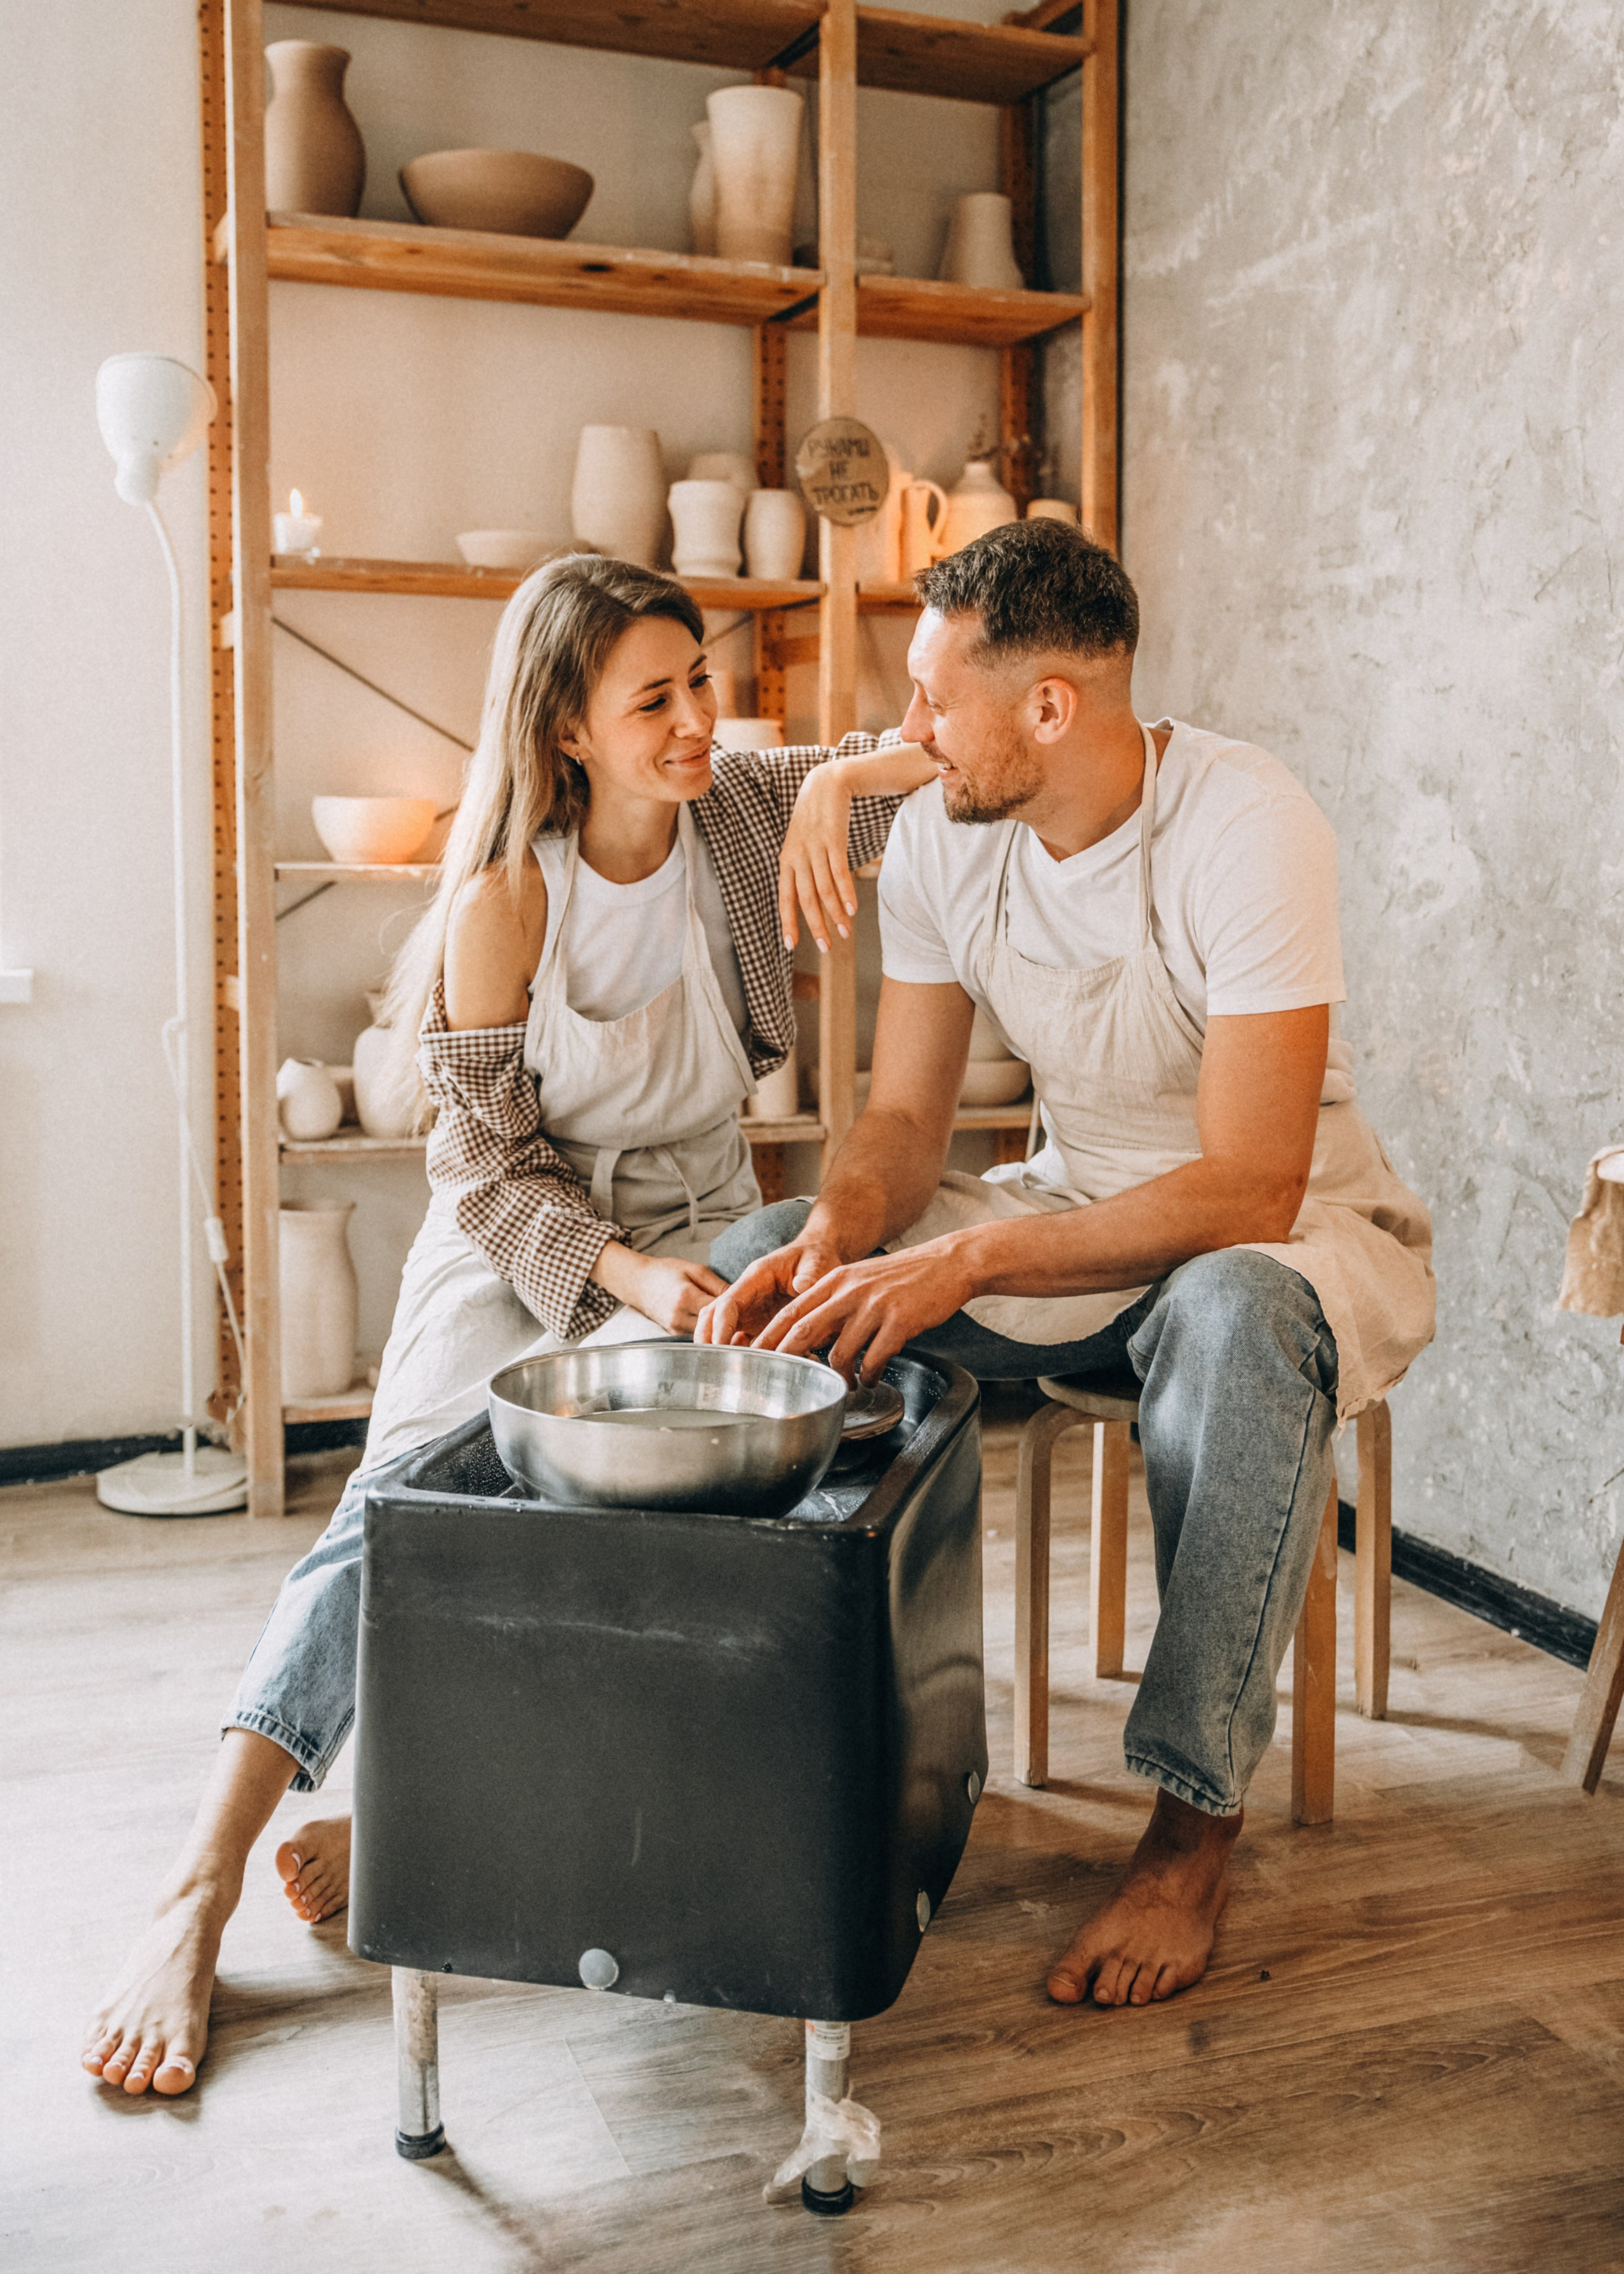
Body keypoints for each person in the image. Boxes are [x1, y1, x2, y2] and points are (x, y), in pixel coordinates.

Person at [82, 555, 935, 2096]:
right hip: (532, 1228)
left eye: (700, 683)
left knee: (681, 1522)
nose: (697, 721)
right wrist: (621, 1277)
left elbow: (941, 750)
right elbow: (481, 1163)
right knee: (402, 1511)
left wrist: (840, 780)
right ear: (565, 730)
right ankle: (193, 1892)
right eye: (653, 700)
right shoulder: (507, 894)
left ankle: (434, 1812)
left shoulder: (742, 808)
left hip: (704, 1216)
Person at [700, 518, 1435, 2012]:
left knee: (1230, 1312)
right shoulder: (942, 831)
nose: (905, 732)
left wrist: (969, 1259)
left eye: (931, 698)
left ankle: (1188, 1830)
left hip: (1283, 1239)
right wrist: (846, 1223)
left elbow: (1249, 1183)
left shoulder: (1245, 824)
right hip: (1067, 1219)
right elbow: (905, 1119)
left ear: (1046, 707)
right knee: (766, 1259)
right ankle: (796, 1742)